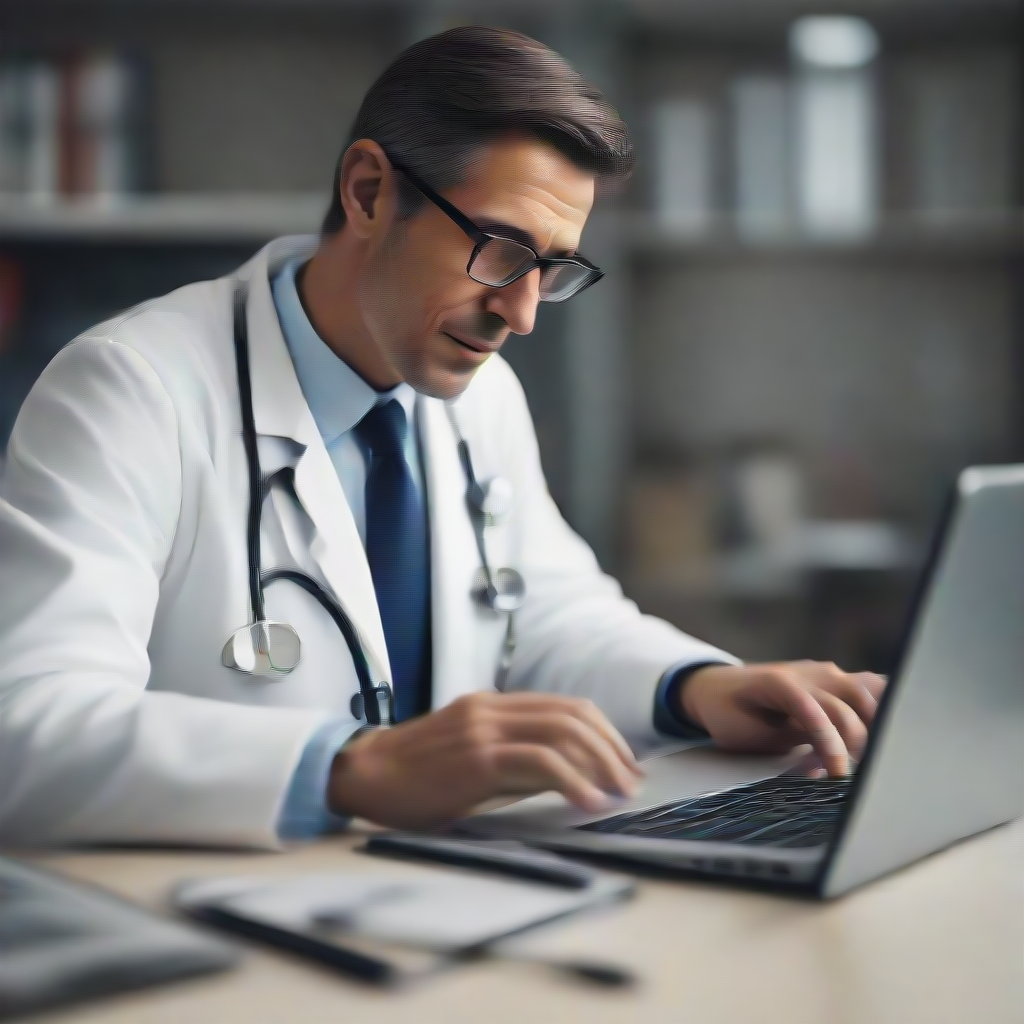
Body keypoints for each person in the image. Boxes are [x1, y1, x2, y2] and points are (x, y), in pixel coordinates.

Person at [0, 27, 884, 848]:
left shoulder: (479, 393)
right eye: (501, 251)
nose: (523, 313)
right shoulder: (128, 389)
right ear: (370, 192)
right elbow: (28, 724)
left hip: (433, 897)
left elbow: (547, 616)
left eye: (551, 269)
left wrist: (699, 689)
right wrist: (353, 766)